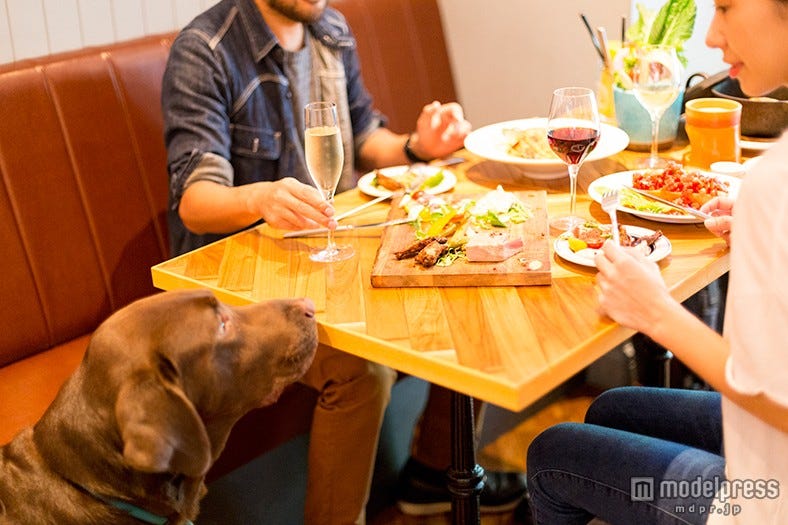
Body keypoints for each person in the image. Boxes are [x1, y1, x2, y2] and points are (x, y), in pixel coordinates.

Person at [161, 1, 526, 522]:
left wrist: (418, 146)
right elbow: (195, 202)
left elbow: (364, 135)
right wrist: (260, 198)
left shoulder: (328, 29)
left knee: (462, 283)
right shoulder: (207, 50)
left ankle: (433, 472)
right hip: (237, 292)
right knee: (361, 370)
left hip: (324, 259)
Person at [524, 1, 788, 523]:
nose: (712, 37)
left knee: (553, 455)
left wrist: (655, 313)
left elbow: (774, 398)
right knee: (612, 409)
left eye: (727, 7)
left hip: (763, 498)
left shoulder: (774, 182)